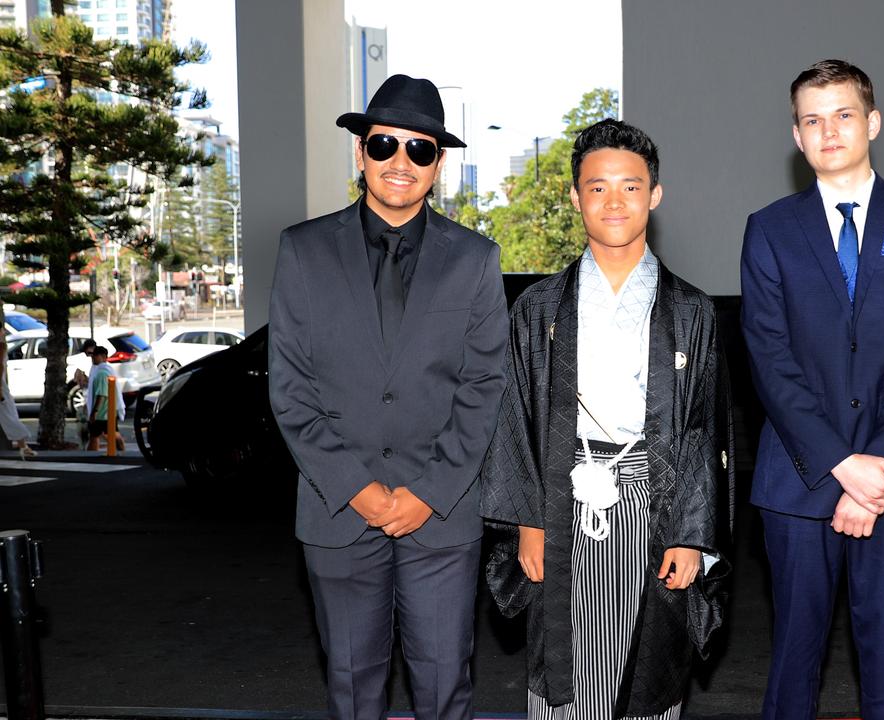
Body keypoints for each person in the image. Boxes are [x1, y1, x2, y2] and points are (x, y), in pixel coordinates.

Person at [267, 74, 508, 720]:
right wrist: (358, 488)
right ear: (359, 152)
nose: (400, 162)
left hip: (442, 513)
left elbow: (484, 386)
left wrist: (427, 492)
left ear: (438, 165)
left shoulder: (476, 261)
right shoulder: (302, 251)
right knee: (352, 689)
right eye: (384, 145)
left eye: (420, 149)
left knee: (443, 688)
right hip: (337, 512)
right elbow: (290, 389)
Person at [481, 119, 732, 719]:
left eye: (630, 186)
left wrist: (692, 536)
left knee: (649, 670)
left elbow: (703, 429)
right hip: (561, 501)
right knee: (566, 665)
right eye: (597, 188)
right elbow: (514, 416)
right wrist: (527, 523)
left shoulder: (691, 310)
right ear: (575, 197)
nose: (613, 201)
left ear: (655, 194)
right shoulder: (539, 307)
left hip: (657, 498)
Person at [739, 59, 884, 720]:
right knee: (794, 660)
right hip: (800, 481)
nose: (828, 130)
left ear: (873, 123)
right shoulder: (769, 229)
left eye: (843, 114)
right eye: (812, 119)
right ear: (798, 138)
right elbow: (770, 361)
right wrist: (841, 465)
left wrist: (877, 471)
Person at [0, 333, 37, 458]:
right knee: (9, 415)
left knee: (8, 415)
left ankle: (23, 446)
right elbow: (0, 366)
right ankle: (23, 446)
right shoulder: (1, 345)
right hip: (0, 385)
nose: (4, 332)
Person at [86, 345, 126, 453]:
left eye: (95, 356)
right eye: (92, 356)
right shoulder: (107, 370)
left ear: (103, 356)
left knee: (95, 436)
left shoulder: (101, 373)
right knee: (110, 433)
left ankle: (91, 457)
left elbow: (101, 394)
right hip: (108, 411)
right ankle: (122, 450)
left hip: (102, 413)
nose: (93, 358)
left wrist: (94, 411)